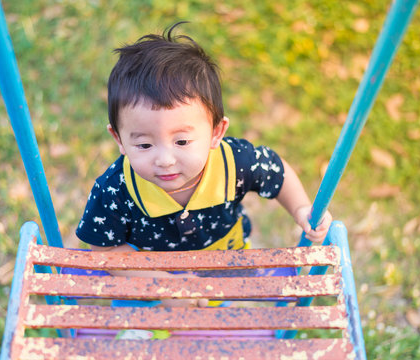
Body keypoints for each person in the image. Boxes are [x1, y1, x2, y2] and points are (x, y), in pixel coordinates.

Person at [75, 22, 332, 308]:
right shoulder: (115, 189)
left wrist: (301, 208)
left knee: (213, 332)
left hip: (222, 270)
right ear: (119, 139)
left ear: (216, 133)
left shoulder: (234, 162)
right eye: (144, 145)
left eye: (182, 142)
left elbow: (277, 171)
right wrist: (161, 285)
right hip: (146, 283)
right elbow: (104, 248)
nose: (165, 159)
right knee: (147, 344)